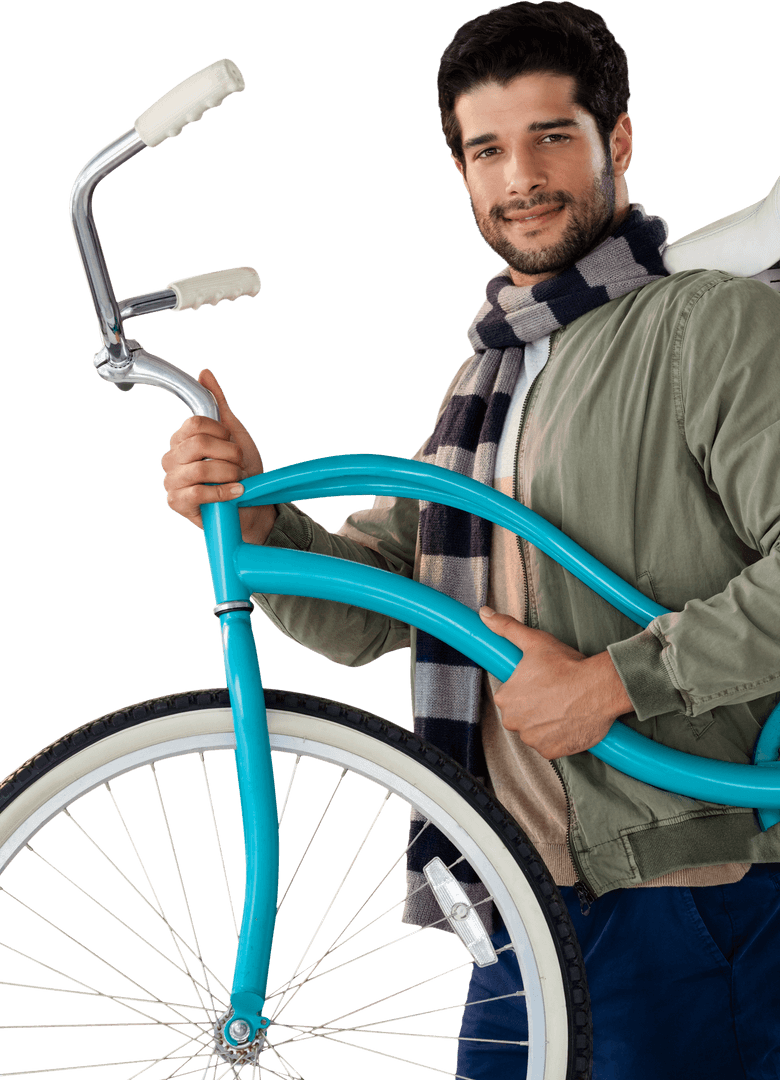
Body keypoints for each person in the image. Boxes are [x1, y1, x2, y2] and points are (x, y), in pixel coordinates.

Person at [160, 3, 780, 1075]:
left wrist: (611, 684)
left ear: (619, 139)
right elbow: (368, 614)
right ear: (460, 170)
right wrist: (256, 518)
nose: (520, 177)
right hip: (519, 905)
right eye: (488, 150)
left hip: (687, 896)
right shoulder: (489, 378)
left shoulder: (709, 326)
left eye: (552, 136)